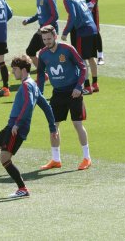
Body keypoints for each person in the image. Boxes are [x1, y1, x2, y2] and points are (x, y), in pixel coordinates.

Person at [0, 55, 57, 198]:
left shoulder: (27, 85)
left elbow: (28, 104)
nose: (13, 72)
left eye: (15, 69)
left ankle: (22, 188)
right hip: (12, 125)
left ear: (23, 70)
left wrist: (18, 123)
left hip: (17, 127)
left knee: (4, 158)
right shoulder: (32, 84)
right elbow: (46, 106)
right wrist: (52, 127)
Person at [37, 25, 92, 170]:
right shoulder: (42, 54)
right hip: (58, 93)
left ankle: (87, 158)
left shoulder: (67, 49)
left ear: (55, 36)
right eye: (44, 39)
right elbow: (41, 75)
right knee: (53, 126)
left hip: (74, 92)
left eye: (49, 38)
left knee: (77, 124)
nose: (47, 42)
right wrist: (39, 93)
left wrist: (79, 87)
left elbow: (83, 67)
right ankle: (56, 159)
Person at [55, 0, 98, 95]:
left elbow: (72, 17)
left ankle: (87, 87)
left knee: (82, 59)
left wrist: (65, 32)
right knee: (91, 57)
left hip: (83, 30)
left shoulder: (67, 0)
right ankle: (95, 83)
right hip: (92, 28)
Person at [70, 0, 104, 65]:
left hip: (90, 3)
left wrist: (93, 2)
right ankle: (78, 54)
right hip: (79, 3)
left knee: (95, 29)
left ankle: (100, 55)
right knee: (77, 27)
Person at [22, 0, 59, 69]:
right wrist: (28, 21)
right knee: (30, 51)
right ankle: (43, 71)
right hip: (42, 29)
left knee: (48, 54)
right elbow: (39, 14)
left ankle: (52, 72)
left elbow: (55, 16)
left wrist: (43, 28)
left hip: (49, 30)